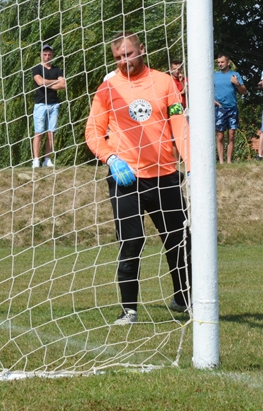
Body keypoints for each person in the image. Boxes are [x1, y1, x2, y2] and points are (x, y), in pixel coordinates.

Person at [85, 31, 191, 325]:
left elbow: (179, 125)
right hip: (126, 177)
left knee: (179, 240)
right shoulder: (108, 89)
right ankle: (129, 310)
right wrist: (111, 158)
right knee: (132, 241)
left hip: (165, 175)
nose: (124, 61)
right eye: (118, 57)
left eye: (129, 54)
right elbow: (93, 132)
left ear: (141, 50)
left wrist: (192, 164)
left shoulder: (165, 82)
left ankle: (184, 297)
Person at [32, 44, 65, 168]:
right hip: (40, 104)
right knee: (39, 132)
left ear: (52, 55)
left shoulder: (57, 70)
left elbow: (63, 84)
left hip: (54, 104)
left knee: (51, 133)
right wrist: (54, 82)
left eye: (49, 54)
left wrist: (46, 83)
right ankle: (36, 160)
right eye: (45, 54)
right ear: (41, 55)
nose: (47, 56)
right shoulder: (37, 69)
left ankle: (47, 159)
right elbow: (39, 82)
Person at [214, 54, 246, 163]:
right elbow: (207, 92)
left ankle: (229, 161)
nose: (220, 64)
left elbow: (244, 91)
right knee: (220, 135)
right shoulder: (214, 76)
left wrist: (237, 84)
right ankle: (221, 161)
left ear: (228, 63)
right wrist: (214, 102)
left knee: (231, 135)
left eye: (222, 62)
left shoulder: (235, 75)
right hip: (220, 109)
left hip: (232, 108)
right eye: (218, 62)